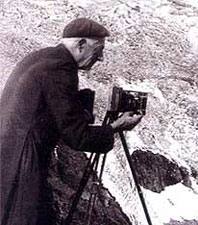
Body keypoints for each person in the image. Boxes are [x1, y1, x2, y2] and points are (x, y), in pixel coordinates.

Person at [0, 18, 143, 225]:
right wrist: (115, 127)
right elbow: (77, 137)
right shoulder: (61, 70)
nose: (101, 58)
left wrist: (78, 104)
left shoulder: (41, 57)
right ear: (81, 44)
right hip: (23, 162)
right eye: (99, 49)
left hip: (7, 155)